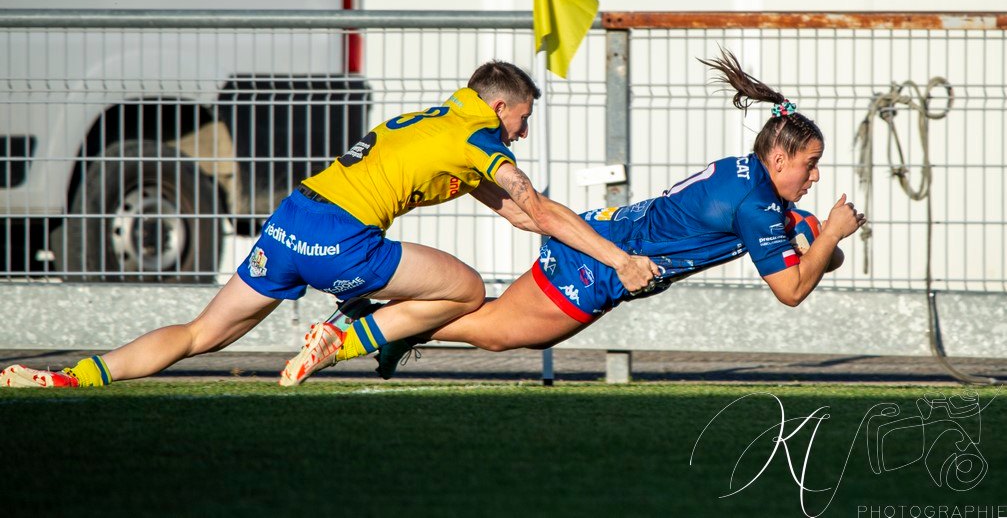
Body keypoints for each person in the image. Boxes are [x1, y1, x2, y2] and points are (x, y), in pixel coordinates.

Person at [1, 60, 660, 389]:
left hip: (290, 220)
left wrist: (592, 226)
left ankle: (68, 378)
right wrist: (617, 259)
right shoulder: (480, 135)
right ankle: (340, 339)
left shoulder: (440, 121)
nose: (522, 129)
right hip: (339, 235)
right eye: (522, 117)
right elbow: (538, 207)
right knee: (460, 290)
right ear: (499, 106)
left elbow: (522, 213)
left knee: (203, 333)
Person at [344, 49, 868, 380]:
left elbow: (810, 254)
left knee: (499, 322)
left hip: (602, 230)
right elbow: (792, 291)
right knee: (499, 332)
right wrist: (830, 233)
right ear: (779, 160)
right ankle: (385, 324)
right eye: (811, 164)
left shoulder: (748, 177)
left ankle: (393, 325)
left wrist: (817, 240)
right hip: (601, 263)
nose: (815, 177)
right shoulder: (759, 207)